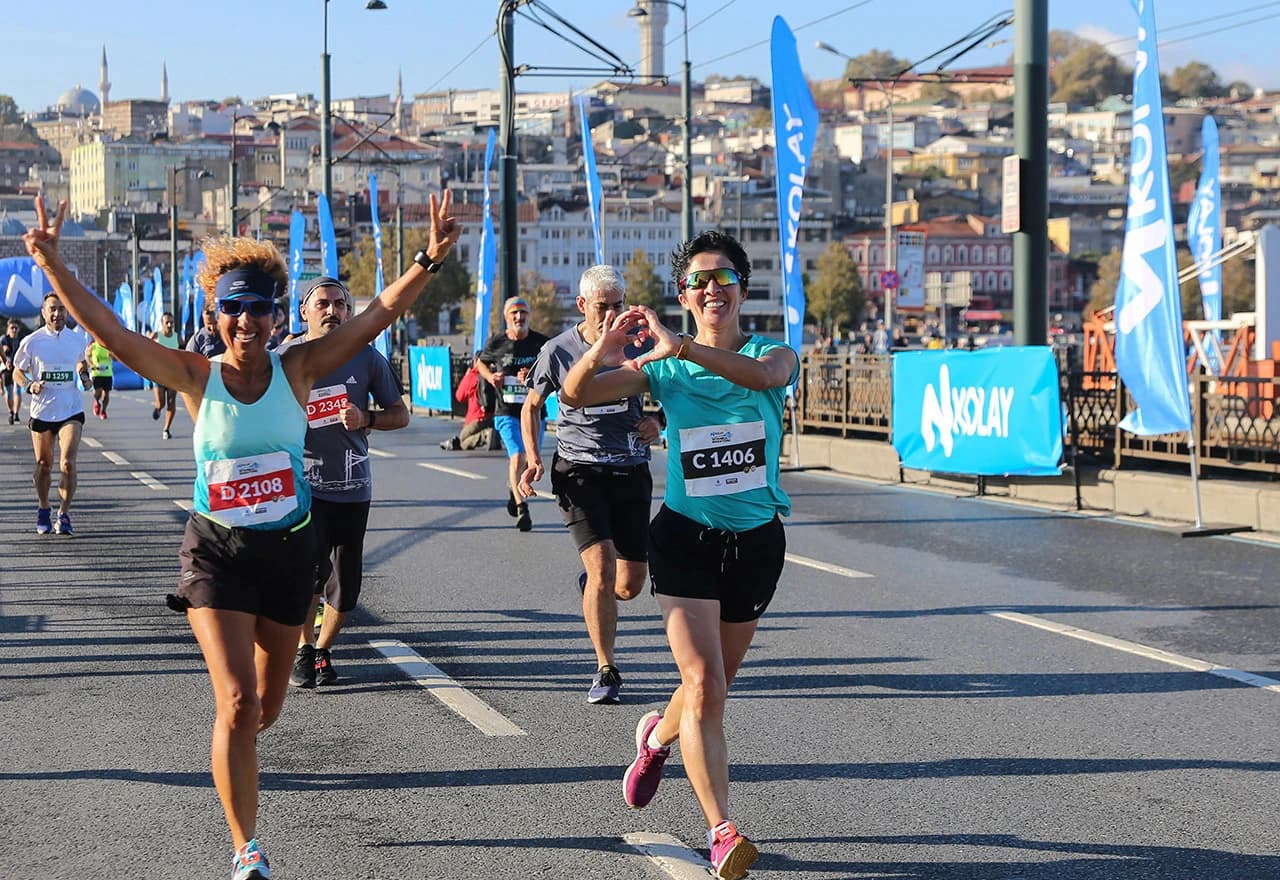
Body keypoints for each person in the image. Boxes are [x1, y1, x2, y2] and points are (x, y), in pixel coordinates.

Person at [22, 192, 460, 880]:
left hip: (289, 552)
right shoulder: (196, 377)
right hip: (217, 551)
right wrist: (54, 264)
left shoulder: (299, 367)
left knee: (267, 705)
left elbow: (378, 316)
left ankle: (237, 755)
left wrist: (428, 258)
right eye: (232, 308)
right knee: (235, 701)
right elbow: (111, 332)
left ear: (277, 315)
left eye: (258, 308)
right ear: (214, 316)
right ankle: (245, 848)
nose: (246, 321)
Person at [561, 230, 798, 880]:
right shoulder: (662, 370)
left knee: (712, 690)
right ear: (683, 293)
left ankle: (655, 739)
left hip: (755, 544)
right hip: (685, 539)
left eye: (724, 278)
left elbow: (764, 377)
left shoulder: (774, 352)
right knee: (703, 684)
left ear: (744, 290)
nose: (712, 288)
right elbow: (575, 396)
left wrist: (682, 345)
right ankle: (721, 832)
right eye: (699, 281)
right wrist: (605, 351)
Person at [517, 265, 660, 704]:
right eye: (604, 307)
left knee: (629, 584)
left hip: (631, 468)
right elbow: (532, 406)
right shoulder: (558, 350)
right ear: (583, 305)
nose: (614, 314)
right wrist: (534, 457)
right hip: (579, 472)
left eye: (619, 304)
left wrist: (659, 421)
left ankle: (597, 586)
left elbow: (673, 393)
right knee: (602, 568)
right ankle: (606, 668)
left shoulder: (641, 341)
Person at [280, 276, 409, 689]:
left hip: (352, 486)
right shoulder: (284, 357)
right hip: (301, 487)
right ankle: (302, 648)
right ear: (305, 310)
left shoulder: (367, 358)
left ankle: (323, 650)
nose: (332, 310)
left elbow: (400, 414)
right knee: (303, 574)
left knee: (344, 580)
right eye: (323, 303)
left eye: (340, 304)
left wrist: (366, 418)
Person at [12, 293, 91, 536]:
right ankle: (44, 507)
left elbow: (80, 362)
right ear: (44, 314)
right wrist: (29, 386)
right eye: (52, 310)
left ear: (67, 313)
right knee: (44, 465)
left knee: (67, 463)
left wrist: (84, 375)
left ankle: (64, 514)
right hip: (42, 411)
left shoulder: (76, 340)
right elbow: (17, 371)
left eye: (61, 310)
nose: (57, 314)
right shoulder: (32, 341)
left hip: (70, 409)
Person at [475, 295, 549, 532]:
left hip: (535, 411)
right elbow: (481, 363)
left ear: (529, 316)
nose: (519, 317)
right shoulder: (497, 342)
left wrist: (532, 376)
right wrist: (491, 377)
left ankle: (513, 486)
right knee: (518, 456)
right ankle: (522, 508)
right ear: (506, 317)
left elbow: (553, 371)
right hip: (506, 410)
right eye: (514, 314)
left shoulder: (541, 343)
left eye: (523, 313)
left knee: (529, 458)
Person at [440, 364, 496, 451]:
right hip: (492, 417)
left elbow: (459, 396)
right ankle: (493, 436)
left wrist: (467, 376)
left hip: (476, 418)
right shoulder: (494, 374)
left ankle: (485, 435)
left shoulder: (473, 375)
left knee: (462, 441)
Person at [148, 311, 181, 438]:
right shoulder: (156, 336)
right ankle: (158, 408)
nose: (169, 325)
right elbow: (144, 347)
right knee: (161, 402)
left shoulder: (178, 337)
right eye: (166, 322)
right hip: (159, 374)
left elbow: (184, 353)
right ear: (162, 323)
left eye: (171, 322)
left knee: (171, 402)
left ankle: (166, 429)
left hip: (173, 375)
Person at [85, 335, 113, 419]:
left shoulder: (109, 347)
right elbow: (87, 356)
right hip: (96, 373)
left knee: (106, 394)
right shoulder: (93, 346)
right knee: (98, 392)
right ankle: (97, 402)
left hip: (107, 373)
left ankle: (103, 411)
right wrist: (91, 365)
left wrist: (112, 355)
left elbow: (116, 358)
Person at [1, 318, 21, 424]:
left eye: (15, 328)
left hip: (17, 368)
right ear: (8, 329)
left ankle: (16, 412)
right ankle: (11, 412)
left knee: (17, 390)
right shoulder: (3, 339)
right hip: (6, 369)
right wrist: (4, 358)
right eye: (11, 328)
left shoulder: (21, 340)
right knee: (9, 393)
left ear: (18, 329)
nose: (14, 330)